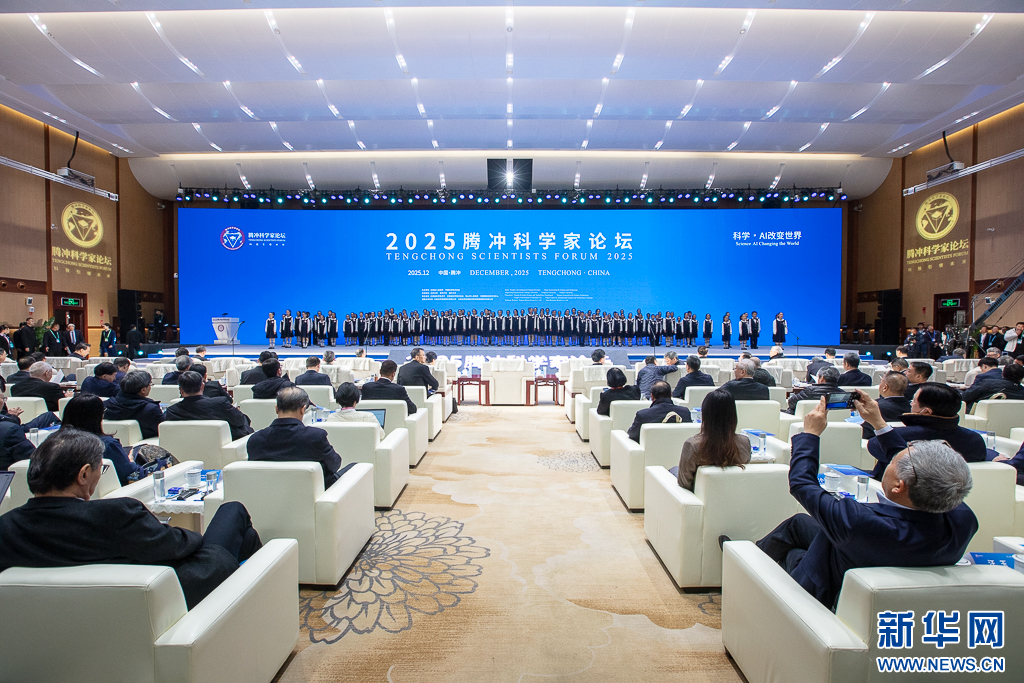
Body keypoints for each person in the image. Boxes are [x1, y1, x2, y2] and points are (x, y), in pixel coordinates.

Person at [751, 395, 977, 610]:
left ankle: (747, 568)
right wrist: (878, 423)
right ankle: (752, 558)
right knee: (798, 523)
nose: (890, 461)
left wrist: (810, 434)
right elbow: (914, 468)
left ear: (899, 486)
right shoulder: (962, 518)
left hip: (828, 587)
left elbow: (802, 484)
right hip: (870, 557)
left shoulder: (857, 521)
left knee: (790, 552)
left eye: (891, 463)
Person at [0, 428, 262, 609]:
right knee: (233, 511)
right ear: (83, 475)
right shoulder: (116, 514)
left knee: (245, 536)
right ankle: (253, 597)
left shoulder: (7, 527)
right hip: (168, 594)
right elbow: (178, 545)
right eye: (100, 469)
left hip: (80, 614)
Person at [866, 383, 986, 479]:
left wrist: (880, 425)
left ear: (926, 411)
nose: (911, 403)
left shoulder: (900, 435)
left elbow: (873, 446)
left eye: (914, 400)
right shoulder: (975, 440)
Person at [246, 387, 348, 488]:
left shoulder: (255, 440)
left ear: (276, 409)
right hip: (316, 492)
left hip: (269, 492)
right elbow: (334, 464)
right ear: (302, 410)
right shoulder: (315, 437)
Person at [673, 389, 750, 491]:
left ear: (705, 414)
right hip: (734, 495)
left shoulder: (693, 445)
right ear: (733, 415)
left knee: (673, 470)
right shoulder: (744, 442)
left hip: (698, 497)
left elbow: (684, 484)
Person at [60, 394, 140, 485]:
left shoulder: (54, 442)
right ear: (96, 416)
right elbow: (129, 474)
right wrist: (131, 462)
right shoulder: (106, 445)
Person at [164, 371, 253, 441]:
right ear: (202, 386)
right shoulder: (220, 403)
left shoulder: (172, 411)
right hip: (224, 445)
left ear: (181, 390)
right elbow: (240, 420)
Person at [103, 370, 164, 439]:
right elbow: (162, 430)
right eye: (150, 384)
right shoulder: (151, 409)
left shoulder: (106, 405)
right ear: (143, 390)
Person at [626, 381, 691, 442]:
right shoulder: (685, 412)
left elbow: (632, 435)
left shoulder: (643, 415)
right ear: (671, 395)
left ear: (652, 396)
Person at [863, 371, 912, 439]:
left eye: (880, 383)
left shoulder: (877, 407)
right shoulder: (912, 407)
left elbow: (865, 433)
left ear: (885, 387)